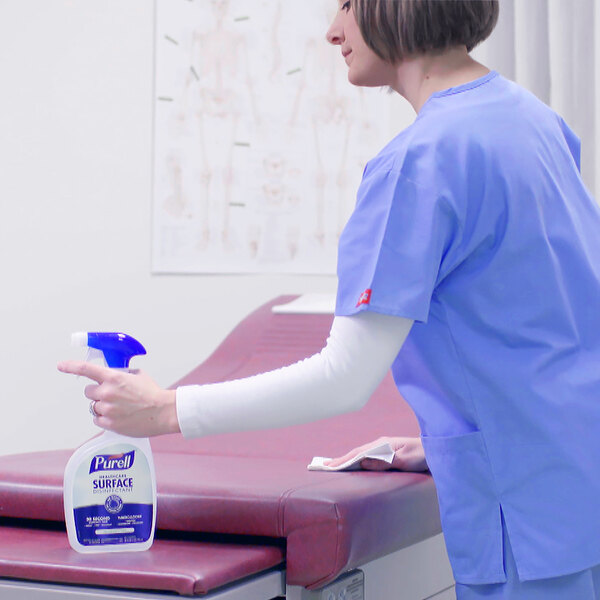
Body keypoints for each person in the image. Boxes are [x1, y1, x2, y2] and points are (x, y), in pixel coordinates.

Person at [58, 1, 600, 597]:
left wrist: (165, 411)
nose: (333, 30)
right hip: (576, 483)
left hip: (524, 522)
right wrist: (458, 437)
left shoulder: (418, 164)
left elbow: (344, 377)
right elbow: (543, 318)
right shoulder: (534, 120)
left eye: (346, 3)